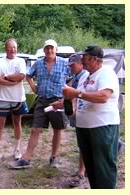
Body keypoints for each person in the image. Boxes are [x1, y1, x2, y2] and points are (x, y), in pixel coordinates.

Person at [62, 46, 120, 188]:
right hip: (84, 127)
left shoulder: (106, 73)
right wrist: (66, 102)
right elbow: (79, 97)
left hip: (102, 127)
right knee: (91, 167)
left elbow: (103, 96)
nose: (82, 60)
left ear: (95, 59)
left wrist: (76, 94)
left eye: (85, 57)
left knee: (103, 167)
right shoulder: (85, 76)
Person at [12, 39, 70, 169]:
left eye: (52, 48)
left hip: (58, 100)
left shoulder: (64, 63)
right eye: (47, 48)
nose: (49, 50)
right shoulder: (38, 64)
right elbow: (28, 76)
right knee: (35, 129)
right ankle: (26, 159)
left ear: (56, 50)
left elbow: (73, 77)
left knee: (57, 129)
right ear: (44, 50)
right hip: (42, 100)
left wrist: (67, 93)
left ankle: (54, 157)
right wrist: (34, 88)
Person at [0, 38, 29, 162]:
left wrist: (5, 77)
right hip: (3, 98)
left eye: (15, 47)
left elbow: (21, 76)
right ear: (6, 48)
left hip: (18, 97)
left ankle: (17, 150)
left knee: (17, 123)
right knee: (0, 124)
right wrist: (11, 81)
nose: (13, 49)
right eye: (10, 47)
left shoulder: (21, 61)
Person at [60, 54, 88, 187]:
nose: (71, 68)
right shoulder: (76, 76)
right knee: (84, 143)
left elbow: (77, 95)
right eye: (69, 66)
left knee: (84, 143)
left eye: (73, 65)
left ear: (81, 64)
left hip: (85, 114)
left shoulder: (85, 76)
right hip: (80, 114)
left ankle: (81, 173)